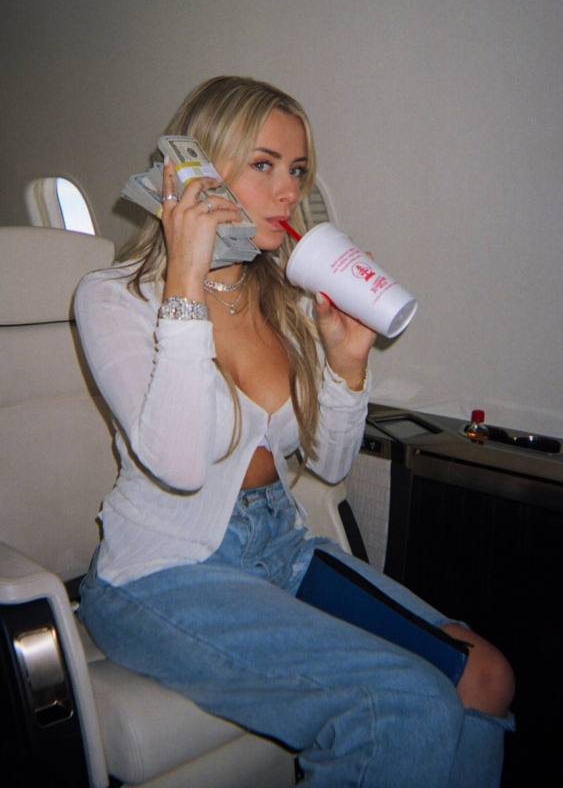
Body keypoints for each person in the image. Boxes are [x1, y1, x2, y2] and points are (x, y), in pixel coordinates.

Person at [76, 76, 514, 787]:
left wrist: (347, 365)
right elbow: (180, 465)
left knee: (485, 678)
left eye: (299, 169)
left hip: (278, 545)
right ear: (196, 169)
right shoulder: (113, 298)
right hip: (162, 571)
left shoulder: (284, 300)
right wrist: (186, 278)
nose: (289, 192)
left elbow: (329, 465)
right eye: (264, 165)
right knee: (401, 703)